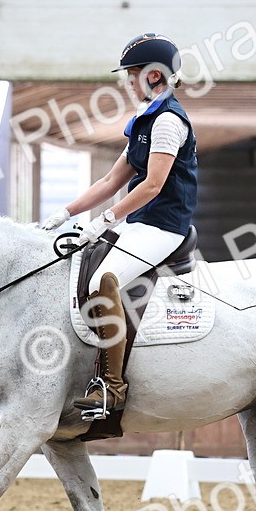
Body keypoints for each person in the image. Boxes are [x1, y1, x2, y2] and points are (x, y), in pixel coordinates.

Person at [39, 33, 198, 420]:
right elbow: (110, 181)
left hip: (164, 226)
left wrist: (107, 219)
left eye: (133, 74)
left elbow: (153, 185)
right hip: (141, 223)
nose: (128, 82)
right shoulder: (144, 121)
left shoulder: (167, 123)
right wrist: (66, 212)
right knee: (80, 261)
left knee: (104, 281)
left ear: (155, 76)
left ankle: (112, 386)